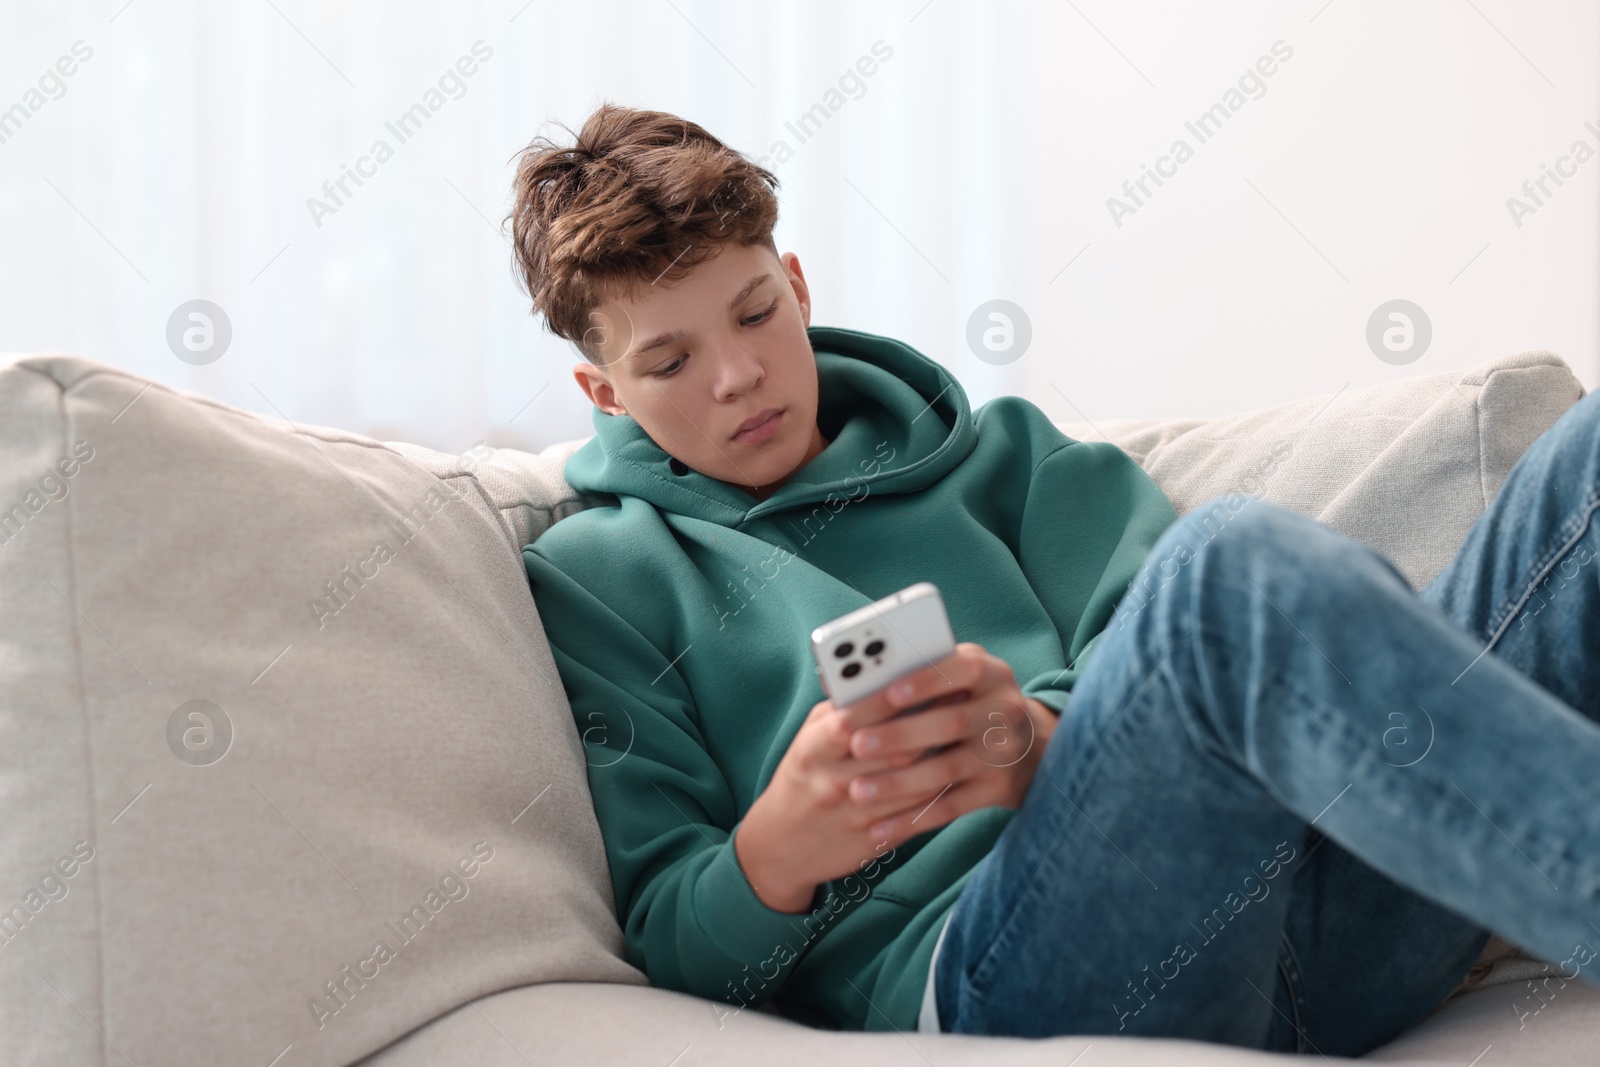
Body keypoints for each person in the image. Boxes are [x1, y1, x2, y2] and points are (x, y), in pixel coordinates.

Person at [510, 102, 1600, 1055]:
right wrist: (777, 850)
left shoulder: (1007, 458)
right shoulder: (598, 576)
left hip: (1317, 909)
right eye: (668, 362)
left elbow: (1168, 668)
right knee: (1228, 562)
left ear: (795, 285)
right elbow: (674, 945)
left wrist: (1033, 741)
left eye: (754, 312)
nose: (738, 373)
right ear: (602, 391)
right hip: (1018, 973)